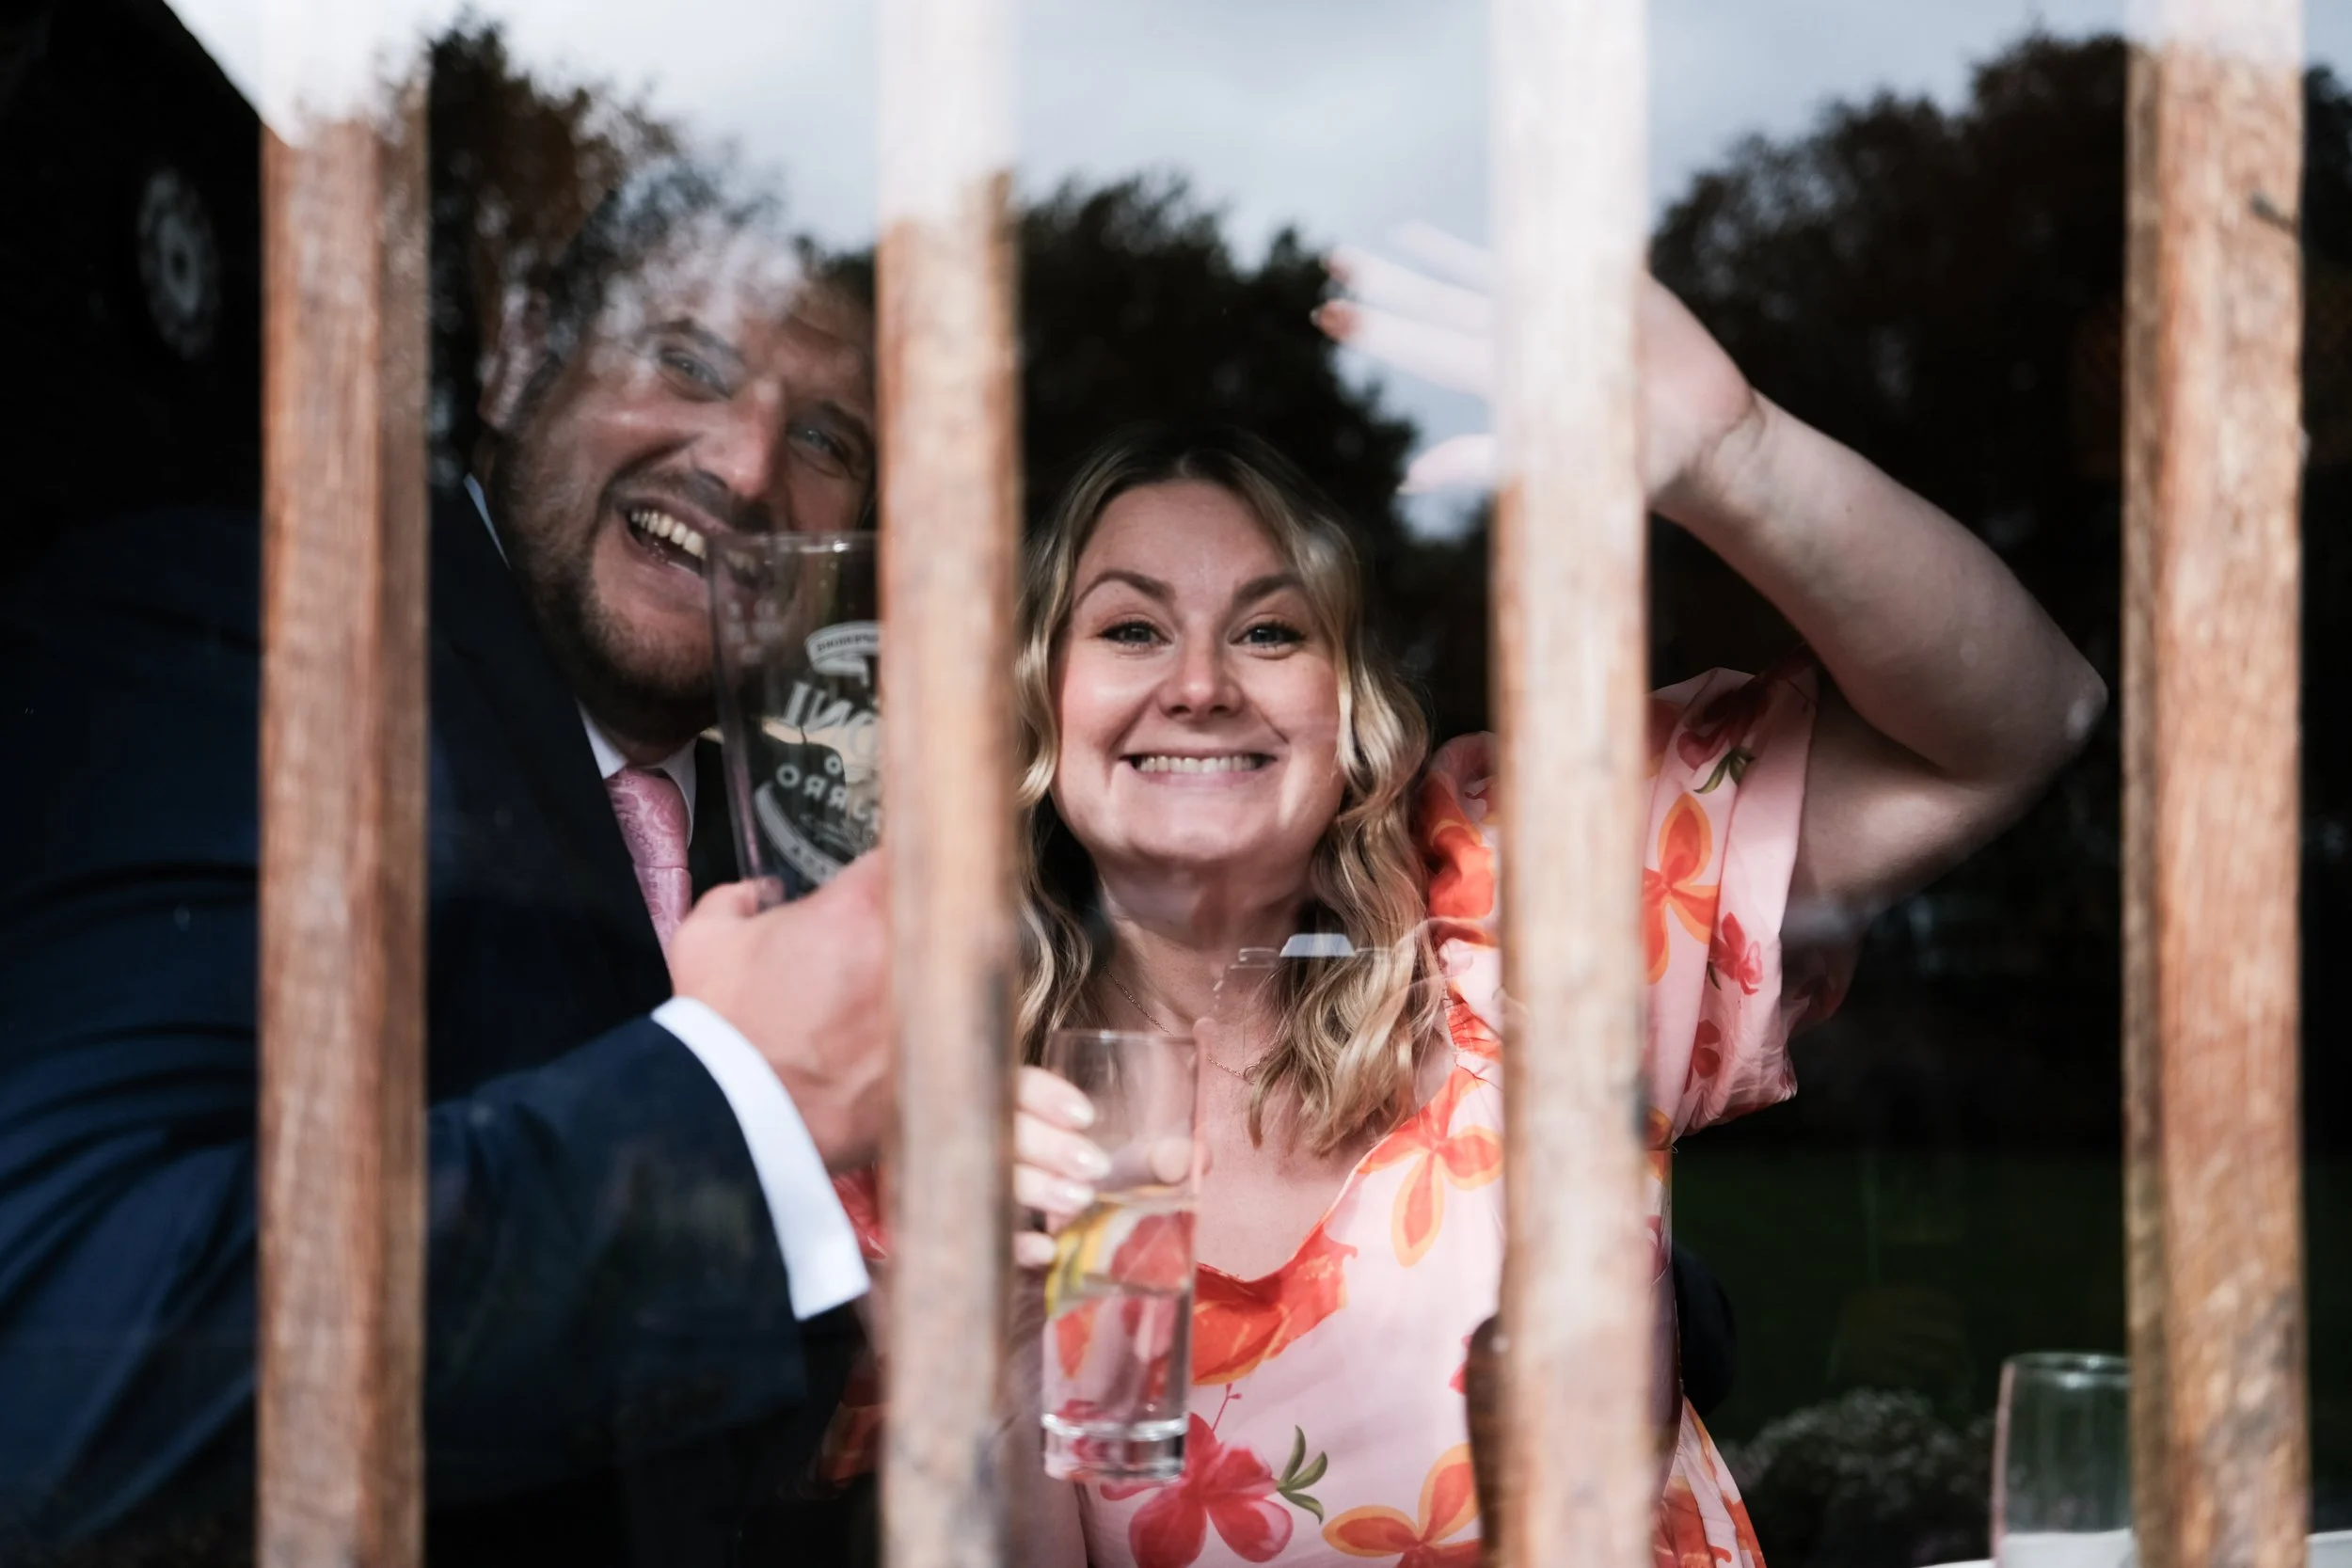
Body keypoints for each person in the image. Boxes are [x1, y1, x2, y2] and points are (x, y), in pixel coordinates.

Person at [1001, 299, 2104, 1563]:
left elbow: (2017, 724)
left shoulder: (1509, 900)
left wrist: (1739, 457)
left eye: (1270, 629)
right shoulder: (940, 1106)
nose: (1200, 684)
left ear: (1347, 706)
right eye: (1131, 627)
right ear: (1044, 701)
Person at [0, 163, 890, 1566]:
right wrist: (743, 1103)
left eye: (827, 432)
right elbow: (65, 1374)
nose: (745, 464)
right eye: (690, 360)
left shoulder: (798, 835)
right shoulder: (248, 643)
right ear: (524, 347)